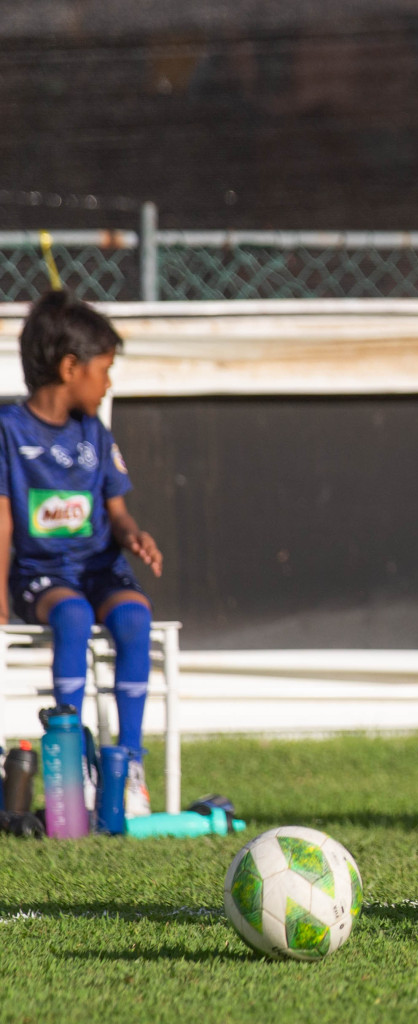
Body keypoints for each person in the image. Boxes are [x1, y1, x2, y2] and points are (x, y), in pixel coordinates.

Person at [0, 291, 163, 817]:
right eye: (105, 369)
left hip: (99, 568)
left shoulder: (95, 433)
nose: (109, 382)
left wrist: (133, 534)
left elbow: (116, 511)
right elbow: (3, 520)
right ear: (71, 367)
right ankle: (73, 763)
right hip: (42, 575)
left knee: (135, 617)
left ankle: (129, 766)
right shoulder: (9, 432)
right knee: (72, 617)